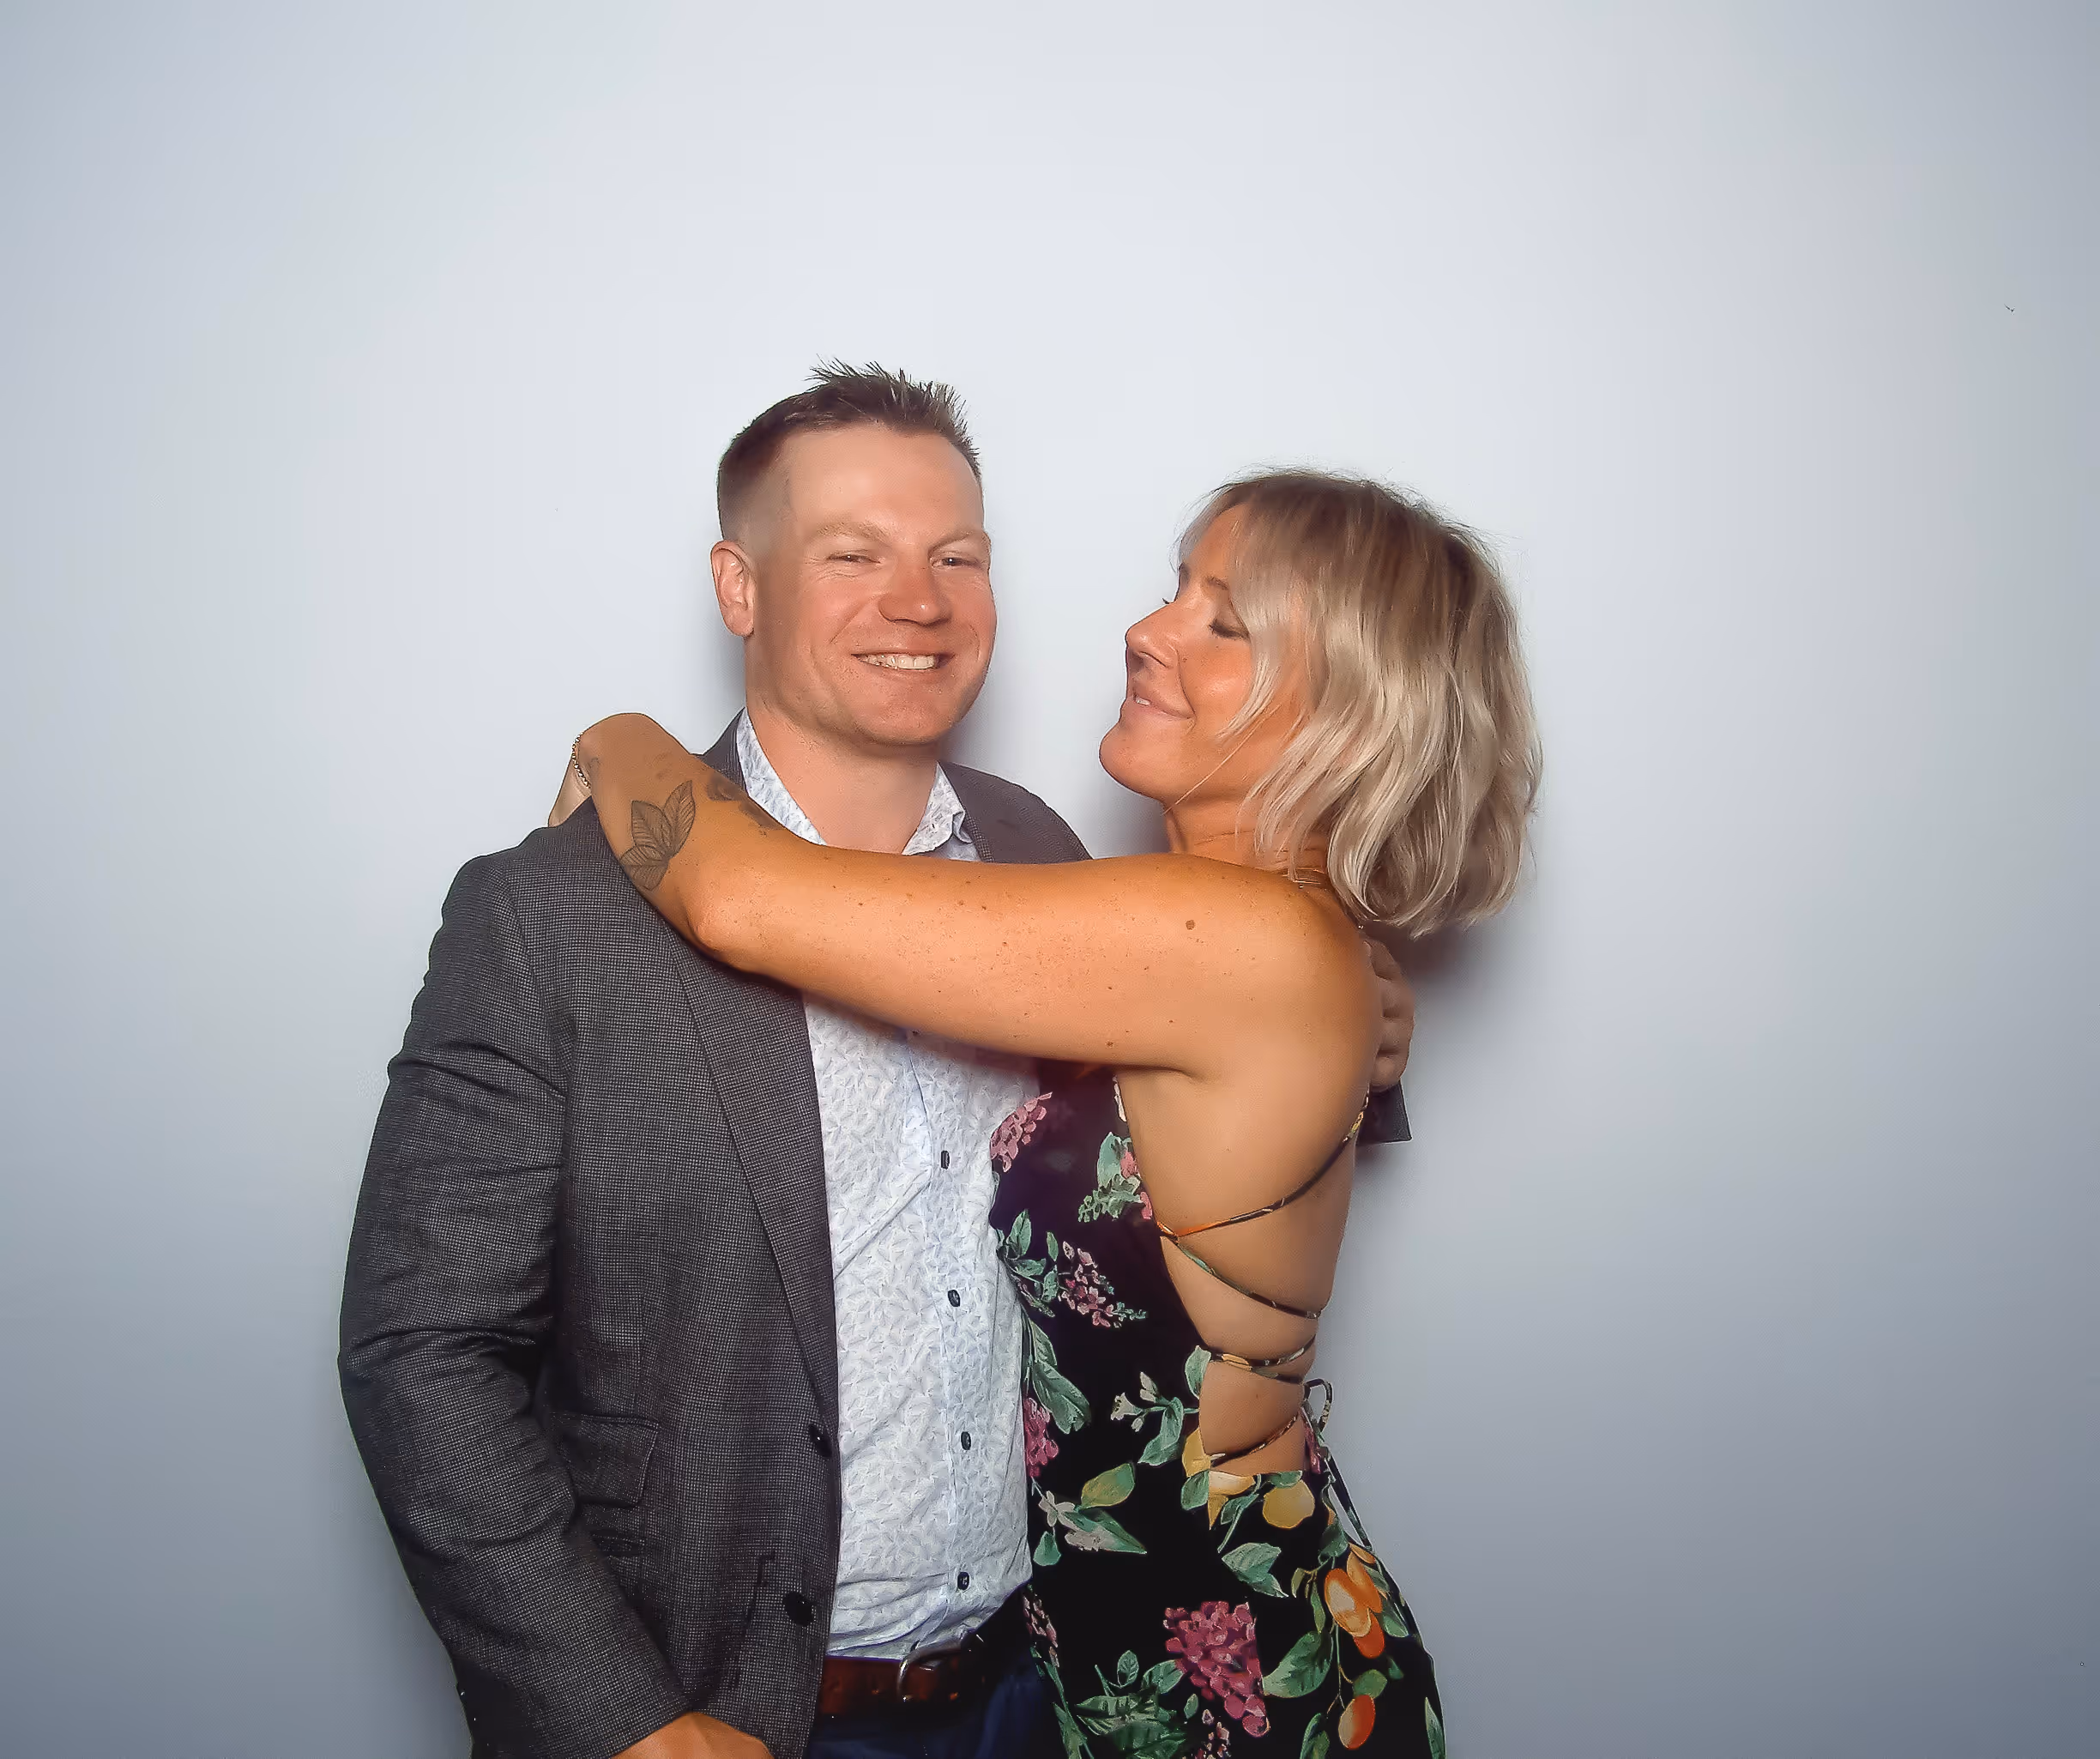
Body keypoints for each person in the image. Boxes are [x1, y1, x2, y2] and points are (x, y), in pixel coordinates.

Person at [341, 365, 1416, 1759]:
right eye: (854, 555)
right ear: (739, 587)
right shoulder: (548, 912)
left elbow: (1208, 1116)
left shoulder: (1043, 857)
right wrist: (622, 1719)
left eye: (956, 556)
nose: (919, 600)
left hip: (1056, 1691)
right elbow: (422, 1352)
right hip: (735, 1710)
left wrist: (1353, 1006)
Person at [558, 466, 1540, 1756]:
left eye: (1225, 621)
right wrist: (1367, 1026)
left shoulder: (1240, 942)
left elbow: (739, 897)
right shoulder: (1272, 944)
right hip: (1109, 1659)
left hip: (1230, 1680)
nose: (1148, 630)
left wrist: (614, 739)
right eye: (1177, 589)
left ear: (1349, 712)